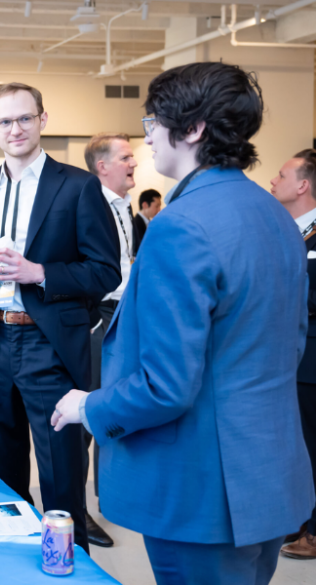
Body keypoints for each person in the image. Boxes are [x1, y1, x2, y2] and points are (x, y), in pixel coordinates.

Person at [51, 62, 314, 584]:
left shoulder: (181, 225)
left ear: (192, 129)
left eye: (151, 122)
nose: (147, 137)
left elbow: (166, 385)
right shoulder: (276, 217)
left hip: (201, 489)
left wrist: (89, 406)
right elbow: (289, 346)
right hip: (268, 475)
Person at [0, 82, 121, 552]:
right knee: (2, 479)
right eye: (5, 121)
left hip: (50, 347)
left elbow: (105, 270)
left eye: (25, 118)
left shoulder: (79, 186)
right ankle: (13, 566)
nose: (16, 129)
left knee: (61, 481)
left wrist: (39, 272)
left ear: (43, 120)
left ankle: (67, 570)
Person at [81, 132, 140, 548]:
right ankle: (72, 509)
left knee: (115, 405)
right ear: (102, 166)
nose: (134, 162)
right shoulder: (87, 204)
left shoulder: (125, 207)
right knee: (86, 411)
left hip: (124, 314)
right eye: (126, 157)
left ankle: (110, 497)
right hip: (95, 318)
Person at [270, 149, 316, 560]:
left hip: (312, 360)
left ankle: (315, 532)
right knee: (296, 442)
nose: (273, 180)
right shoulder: (287, 230)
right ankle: (300, 518)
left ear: (303, 185)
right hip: (288, 357)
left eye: (282, 175)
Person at [133, 189, 162, 255]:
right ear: (145, 205)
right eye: (157, 206)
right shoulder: (135, 224)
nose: (159, 209)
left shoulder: (151, 223)